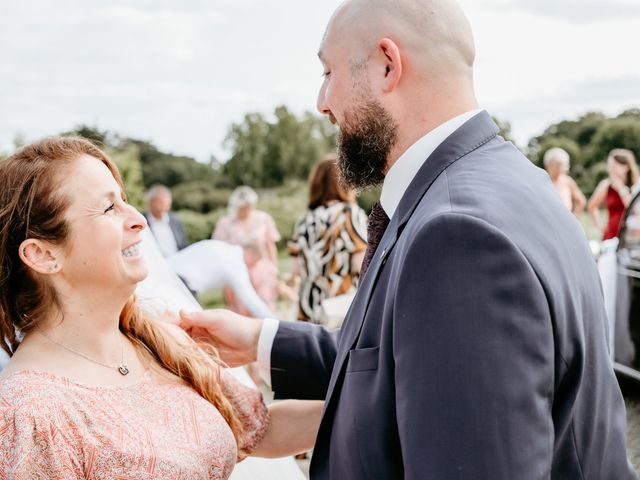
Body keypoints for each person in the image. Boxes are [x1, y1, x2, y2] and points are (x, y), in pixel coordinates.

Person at [179, 1, 638, 479]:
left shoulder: (458, 237)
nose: (322, 101)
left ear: (386, 65)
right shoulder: (513, 180)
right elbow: (412, 357)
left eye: (328, 71)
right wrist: (259, 339)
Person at [0, 137, 322, 479]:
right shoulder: (26, 415)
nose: (139, 219)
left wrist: (380, 403)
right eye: (109, 208)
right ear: (44, 254)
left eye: (124, 201)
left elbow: (259, 429)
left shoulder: (158, 341)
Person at [288, 155, 367, 324]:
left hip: (308, 311)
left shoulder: (304, 220)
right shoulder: (349, 214)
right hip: (340, 310)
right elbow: (362, 265)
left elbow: (295, 269)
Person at [166, 239, 275, 319]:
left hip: (166, 269)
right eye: (254, 263)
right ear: (250, 254)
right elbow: (251, 300)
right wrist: (275, 323)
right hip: (181, 283)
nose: (251, 268)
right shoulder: (236, 264)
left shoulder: (221, 246)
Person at [213, 186, 280, 314]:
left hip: (262, 272)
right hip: (237, 272)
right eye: (244, 207)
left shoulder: (263, 219)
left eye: (250, 206)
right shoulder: (225, 223)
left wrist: (274, 269)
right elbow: (220, 253)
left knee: (264, 307)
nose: (247, 210)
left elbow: (270, 245)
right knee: (241, 311)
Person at [588, 148, 639, 240]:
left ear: (626, 167)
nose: (610, 169)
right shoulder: (606, 185)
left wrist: (621, 189)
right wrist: (599, 227)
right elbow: (592, 205)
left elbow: (633, 209)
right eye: (609, 165)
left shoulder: (637, 184)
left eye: (614, 165)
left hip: (632, 235)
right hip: (611, 234)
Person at [143, 184, 188, 257]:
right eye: (160, 203)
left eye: (167, 204)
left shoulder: (175, 220)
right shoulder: (142, 221)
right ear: (150, 202)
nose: (164, 206)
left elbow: (183, 245)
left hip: (178, 260)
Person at [543, 147, 586, 217]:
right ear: (548, 164)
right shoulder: (541, 182)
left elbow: (581, 201)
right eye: (557, 165)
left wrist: (575, 219)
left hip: (565, 221)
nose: (561, 168)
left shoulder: (567, 181)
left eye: (562, 165)